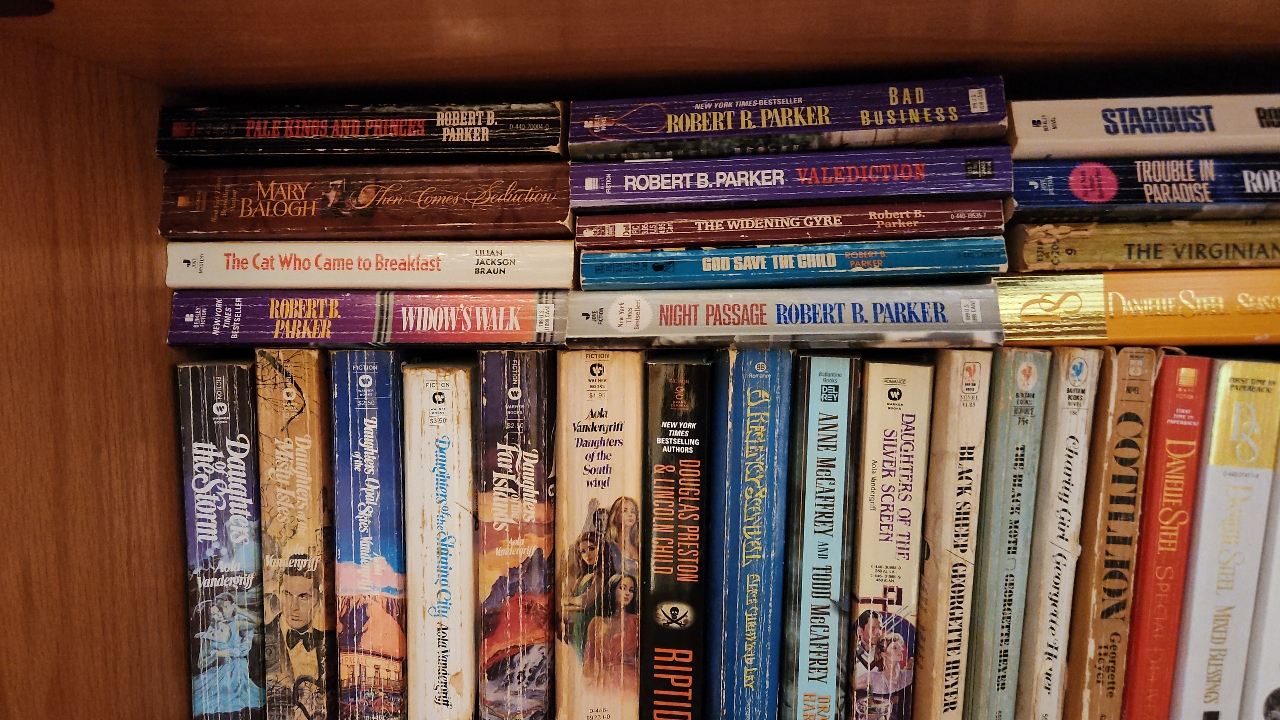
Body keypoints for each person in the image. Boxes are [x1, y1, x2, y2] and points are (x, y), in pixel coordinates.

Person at [253, 556, 328, 720]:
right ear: (279, 592)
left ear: (318, 598)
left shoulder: (327, 642)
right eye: (287, 594)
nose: (294, 607)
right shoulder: (257, 640)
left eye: (303, 597)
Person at [191, 595, 263, 715]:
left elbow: (259, 622)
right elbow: (201, 663)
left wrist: (240, 610)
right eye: (215, 613)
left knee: (238, 695)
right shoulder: (208, 634)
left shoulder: (236, 624)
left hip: (237, 671)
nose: (221, 613)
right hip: (218, 672)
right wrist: (217, 655)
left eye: (221, 610)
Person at [560, 530, 614, 660]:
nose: (587, 555)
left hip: (592, 631)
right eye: (583, 551)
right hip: (578, 629)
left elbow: (584, 602)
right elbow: (568, 605)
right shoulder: (583, 576)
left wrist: (569, 600)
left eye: (591, 549)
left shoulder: (601, 576)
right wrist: (573, 602)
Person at [583, 573, 640, 692]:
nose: (627, 593)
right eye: (622, 588)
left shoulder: (636, 622)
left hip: (628, 682)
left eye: (631, 590)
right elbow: (588, 663)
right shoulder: (596, 623)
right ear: (612, 589)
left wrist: (636, 662)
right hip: (601, 684)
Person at [604, 497, 641, 577]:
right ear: (616, 515)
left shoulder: (638, 544)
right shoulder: (608, 546)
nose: (630, 515)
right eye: (624, 511)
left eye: (633, 511)